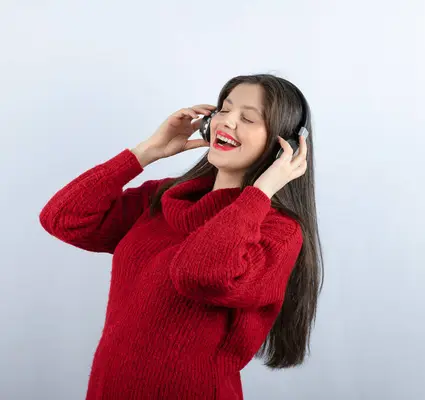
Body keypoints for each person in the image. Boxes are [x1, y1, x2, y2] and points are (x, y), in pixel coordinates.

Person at [39, 74, 324, 399]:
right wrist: (146, 152)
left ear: (284, 146)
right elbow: (63, 219)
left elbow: (200, 274)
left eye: (247, 118)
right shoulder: (166, 197)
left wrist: (261, 192)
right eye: (223, 110)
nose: (226, 122)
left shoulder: (278, 231)